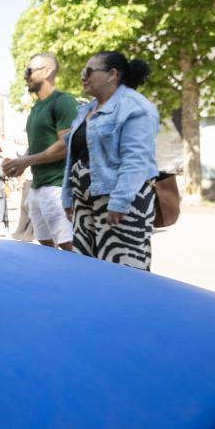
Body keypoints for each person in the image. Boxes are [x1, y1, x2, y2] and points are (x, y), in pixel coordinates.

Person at [62, 51, 159, 270]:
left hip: (120, 201)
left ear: (112, 74)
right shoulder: (87, 109)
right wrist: (68, 197)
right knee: (88, 269)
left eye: (88, 71)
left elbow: (136, 159)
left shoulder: (135, 107)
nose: (82, 77)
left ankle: (130, 306)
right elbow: (74, 155)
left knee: (123, 268)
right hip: (86, 201)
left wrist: (120, 201)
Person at [3, 53, 78, 250]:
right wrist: (21, 163)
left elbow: (65, 145)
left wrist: (27, 161)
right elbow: (39, 145)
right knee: (45, 245)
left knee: (68, 245)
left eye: (29, 71)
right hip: (37, 186)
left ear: (47, 71)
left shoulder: (63, 102)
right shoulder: (36, 108)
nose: (25, 76)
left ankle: (79, 280)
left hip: (57, 187)